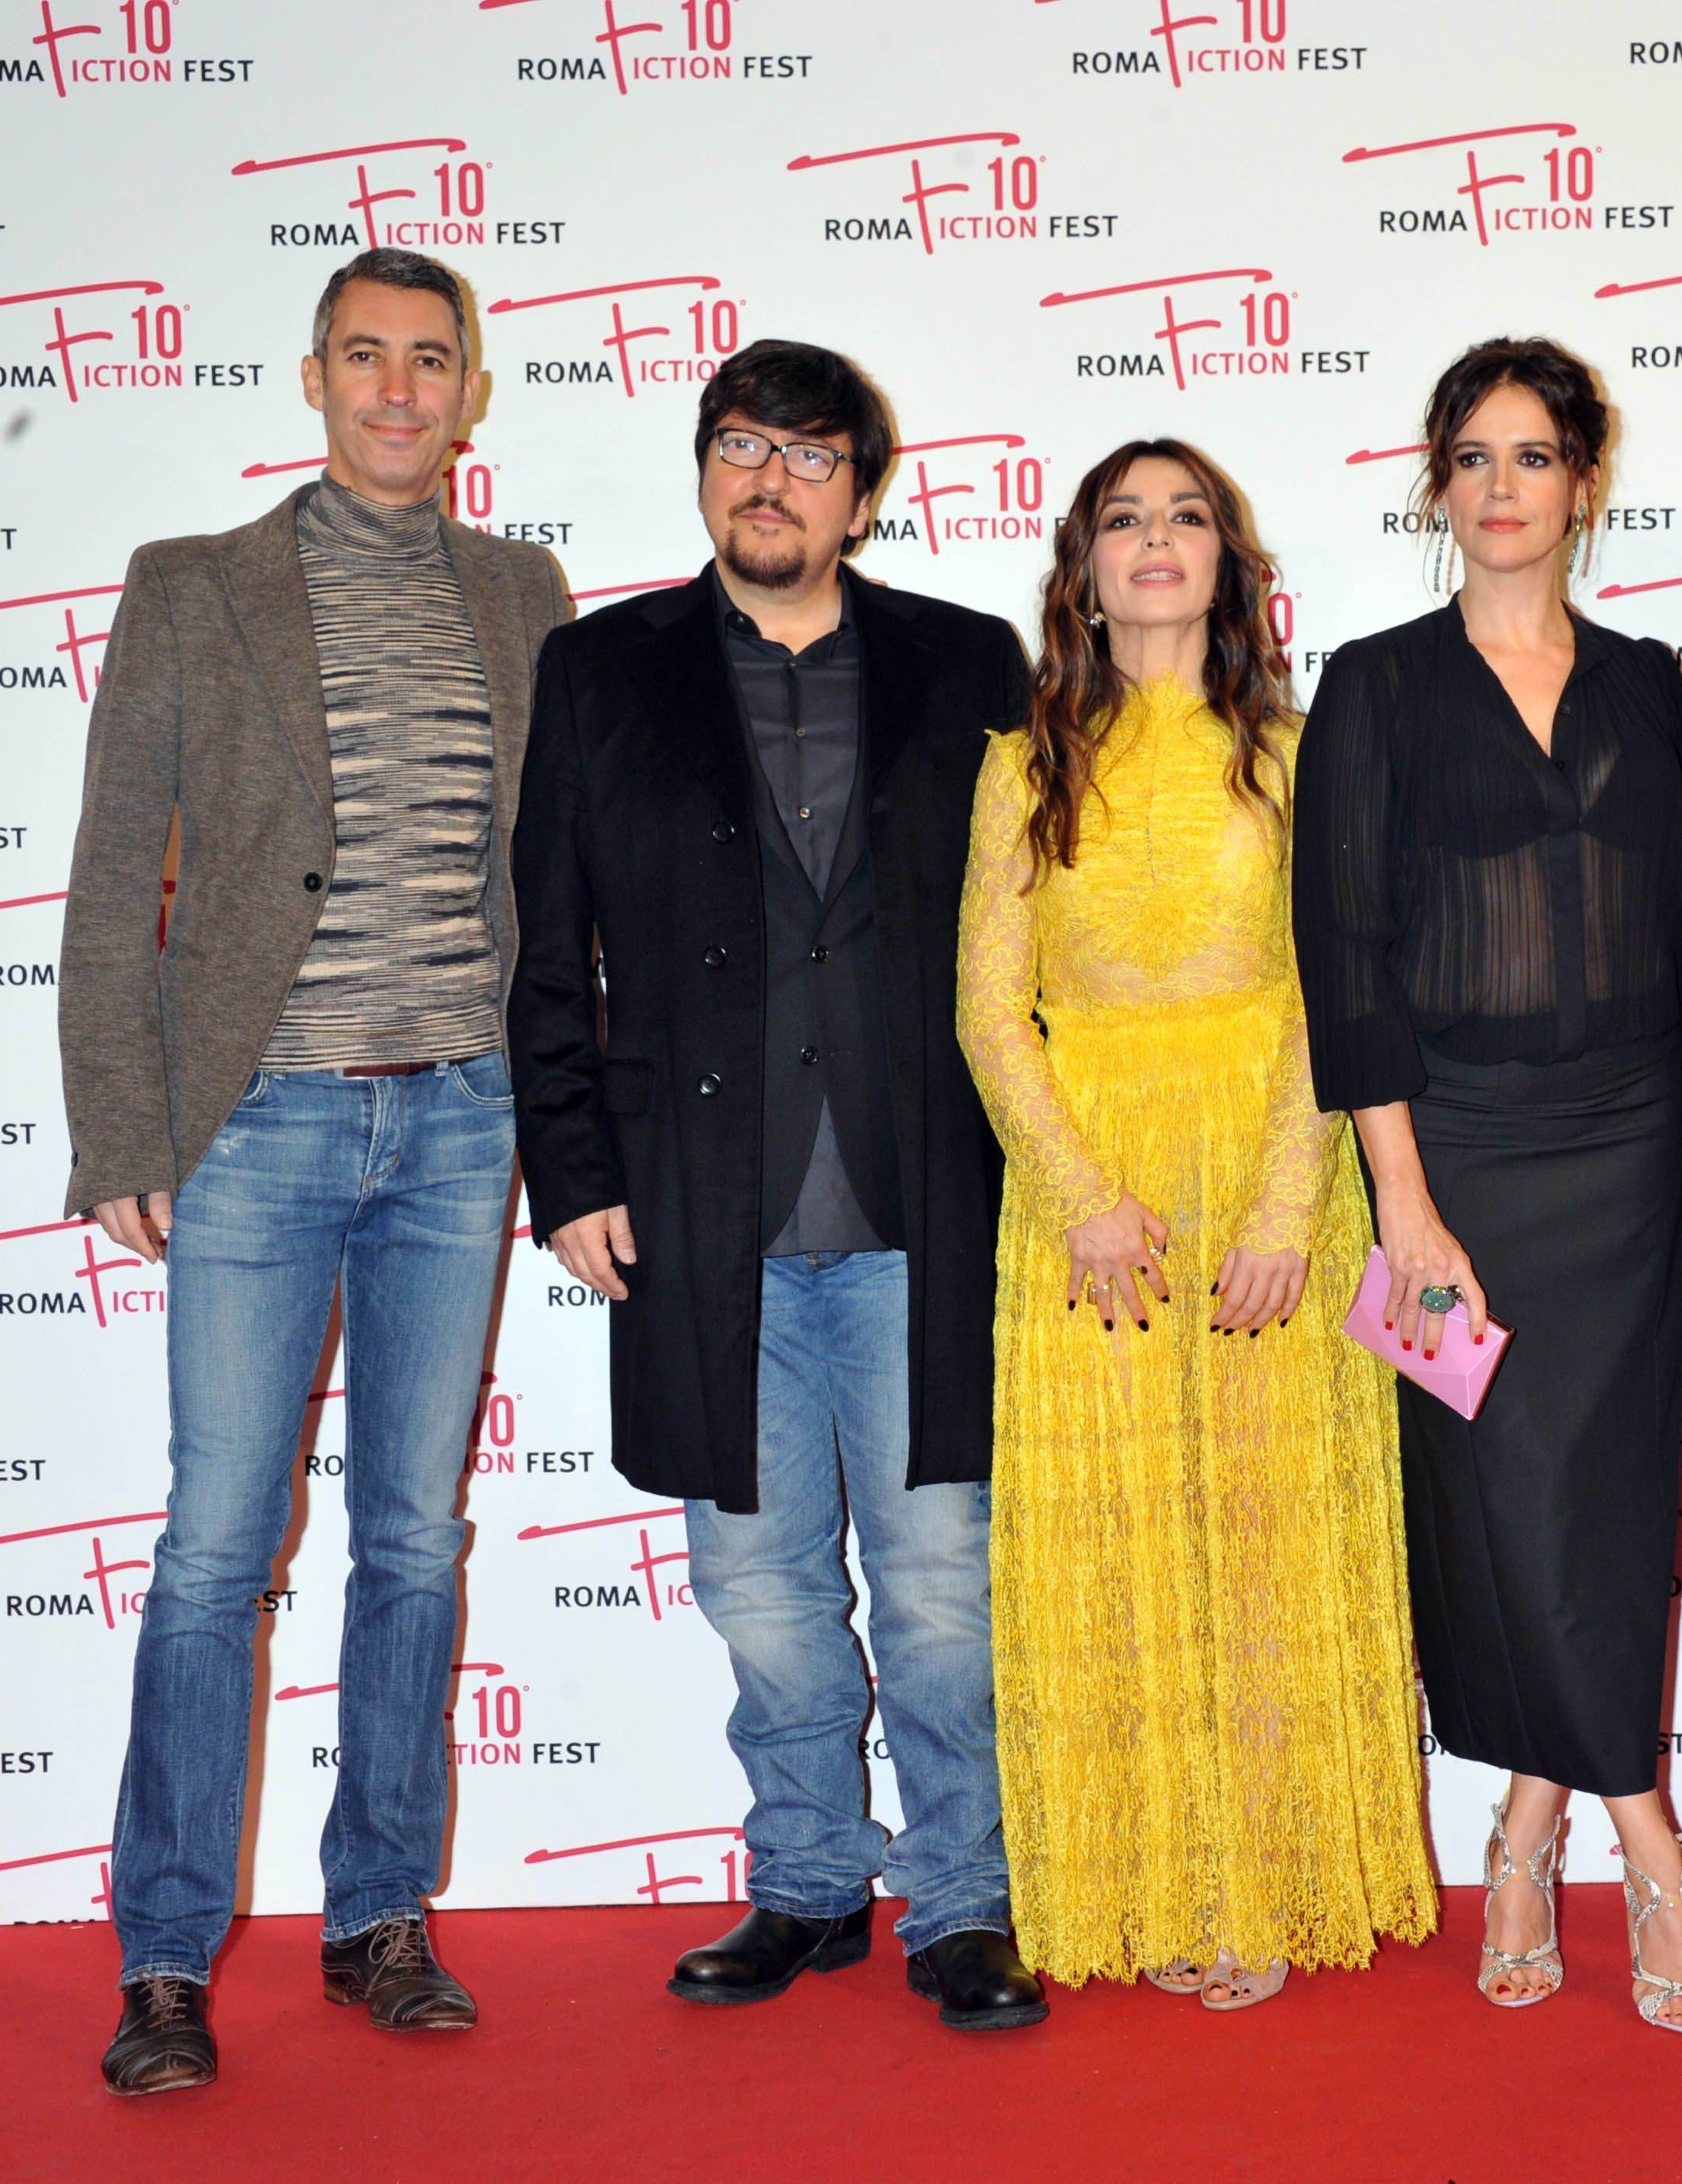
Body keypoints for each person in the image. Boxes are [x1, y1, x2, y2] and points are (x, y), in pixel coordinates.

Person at [59, 248, 572, 2095]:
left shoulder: (522, 595)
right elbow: (115, 873)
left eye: (430, 358)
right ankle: (165, 1956)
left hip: (460, 1119)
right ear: (314, 378)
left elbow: (554, 877)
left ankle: (379, 1918)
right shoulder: (193, 586)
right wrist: (124, 1132)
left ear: (471, 390)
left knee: (414, 1536)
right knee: (218, 1544)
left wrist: (566, 1114)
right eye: (366, 355)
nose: (398, 388)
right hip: (259, 1121)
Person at [507, 339, 1049, 2033]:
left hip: (925, 1208)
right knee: (758, 1589)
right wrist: (570, 1170)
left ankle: (963, 1901)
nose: (771, 480)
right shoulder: (601, 669)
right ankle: (810, 1880)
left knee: (942, 1592)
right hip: (695, 1212)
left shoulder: (971, 663)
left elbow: (1042, 937)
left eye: (812, 456)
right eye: (742, 444)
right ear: (703, 468)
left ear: (864, 495)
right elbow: (547, 949)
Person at [957, 440, 1436, 2010]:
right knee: (1113, 1537)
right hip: (1087, 1191)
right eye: (1124, 520)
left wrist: (1290, 1204)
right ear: (1083, 569)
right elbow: (989, 1013)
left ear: (1227, 563)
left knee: (1266, 1533)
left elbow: (1331, 986)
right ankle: (1145, 1877)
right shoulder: (1020, 765)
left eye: (1185, 519)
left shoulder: (1296, 756)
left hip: (1271, 1174)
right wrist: (1082, 1198)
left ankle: (1264, 1882)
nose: (1155, 541)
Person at [1293, 338, 1682, 2037]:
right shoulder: (1375, 686)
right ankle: (1649, 1842)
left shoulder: (1651, 684)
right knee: (1508, 1505)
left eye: (1532, 456)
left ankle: (1534, 1828)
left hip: (1633, 1137)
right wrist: (1400, 1204)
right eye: (1470, 457)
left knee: (1608, 1502)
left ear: (1583, 484)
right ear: (1435, 485)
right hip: (1455, 1151)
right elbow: (1345, 964)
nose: (1500, 487)